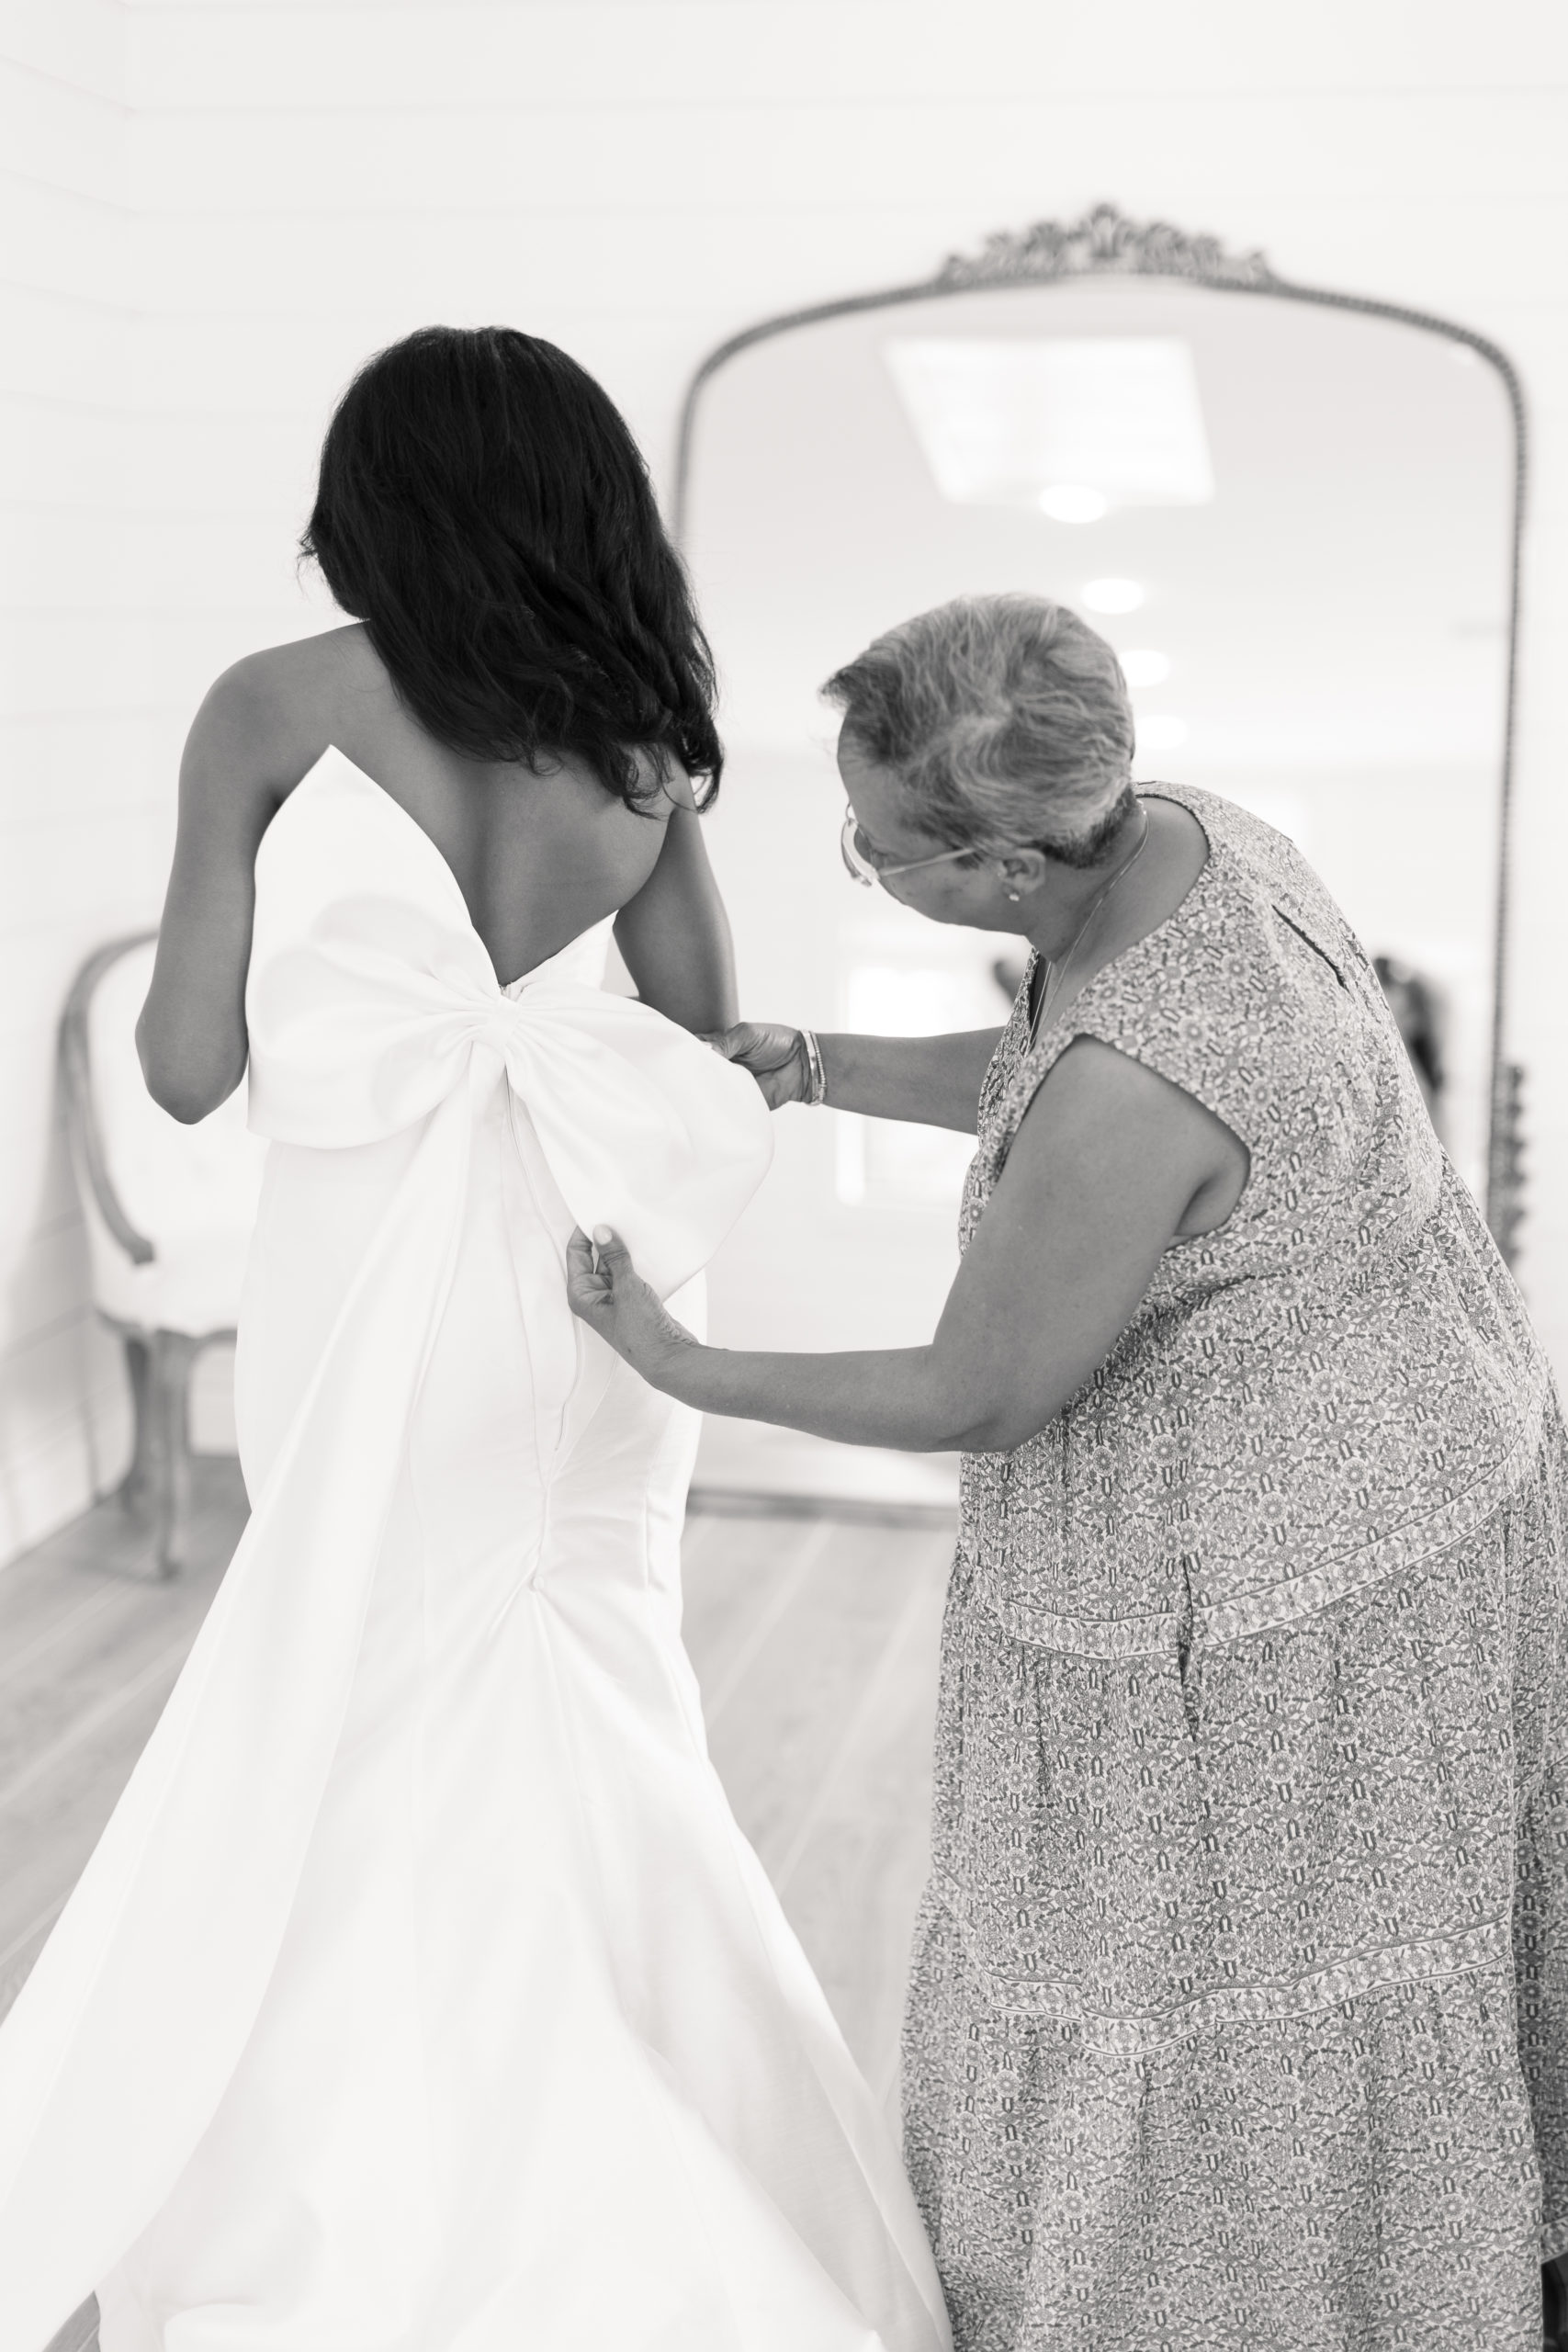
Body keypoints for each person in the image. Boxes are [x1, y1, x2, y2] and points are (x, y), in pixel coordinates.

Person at [0, 328, 951, 2352]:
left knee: (355, 1708)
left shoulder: (270, 705)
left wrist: (317, 971)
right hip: (586, 1293)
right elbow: (697, 1022)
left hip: (366, 1304)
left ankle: (387, 2190)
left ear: (376, 504)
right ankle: (649, 2146)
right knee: (586, 1685)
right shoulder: (629, 731)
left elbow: (178, 1070)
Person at [568, 592, 1568, 2352]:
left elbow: (982, 1383)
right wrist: (815, 1065)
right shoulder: (1187, 837)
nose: (863, 867)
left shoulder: (1143, 1082)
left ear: (1004, 869)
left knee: (1206, 1976)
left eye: (881, 855)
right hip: (1420, 1446)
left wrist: (678, 1361)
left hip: (1287, 1571)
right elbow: (1050, 1080)